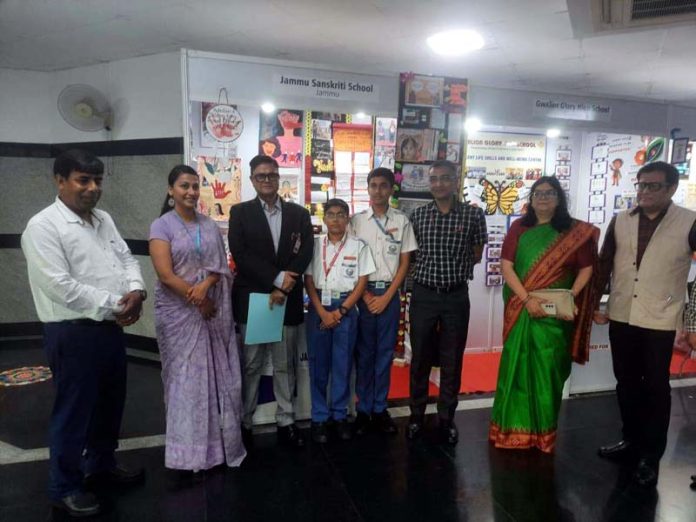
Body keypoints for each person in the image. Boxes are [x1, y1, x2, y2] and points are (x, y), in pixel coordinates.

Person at [21, 149, 147, 517]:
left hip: (107, 330)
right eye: (83, 180)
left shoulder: (102, 219)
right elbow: (60, 286)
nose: (93, 188)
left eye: (98, 181)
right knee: (74, 412)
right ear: (60, 180)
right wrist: (119, 303)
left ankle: (102, 468)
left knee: (109, 406)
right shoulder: (43, 227)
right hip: (71, 333)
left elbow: (125, 258)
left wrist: (137, 291)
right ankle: (65, 486)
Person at [594, 161, 696, 487]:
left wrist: (692, 322)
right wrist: (597, 303)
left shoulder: (689, 222)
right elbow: (604, 264)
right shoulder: (621, 220)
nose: (645, 192)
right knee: (625, 383)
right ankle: (630, 442)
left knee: (654, 388)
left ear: (671, 189)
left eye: (653, 186)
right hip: (623, 314)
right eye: (641, 185)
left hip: (661, 319)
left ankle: (650, 456)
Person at [489, 176, 598, 453]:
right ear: (531, 198)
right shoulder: (519, 228)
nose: (543, 198)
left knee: (548, 373)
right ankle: (510, 430)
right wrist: (526, 300)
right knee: (515, 368)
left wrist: (571, 295)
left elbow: (587, 268)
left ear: (559, 198)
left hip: (555, 314)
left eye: (549, 193)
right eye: (538, 193)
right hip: (522, 309)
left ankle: (543, 434)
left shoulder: (575, 232)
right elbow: (506, 266)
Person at [149, 165, 246, 474]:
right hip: (178, 314)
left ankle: (218, 448)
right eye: (184, 186)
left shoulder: (209, 224)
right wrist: (198, 296)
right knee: (186, 383)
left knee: (217, 380)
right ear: (171, 190)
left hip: (212, 313)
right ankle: (186, 455)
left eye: (194, 186)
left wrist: (207, 288)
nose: (190, 192)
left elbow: (220, 269)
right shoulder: (161, 226)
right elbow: (165, 275)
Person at [228, 154, 314, 448]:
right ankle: (245, 421)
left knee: (283, 365)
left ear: (279, 179)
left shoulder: (298, 214)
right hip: (257, 301)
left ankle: (286, 420)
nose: (267, 180)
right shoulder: (240, 213)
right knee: (251, 365)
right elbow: (241, 255)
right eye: (261, 176)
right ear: (252, 180)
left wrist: (285, 286)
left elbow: (304, 253)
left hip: (285, 300)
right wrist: (277, 280)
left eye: (272, 175)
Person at [407, 160, 487, 444]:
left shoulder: (472, 216)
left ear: (455, 181)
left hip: (455, 295)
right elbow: (411, 257)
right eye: (434, 179)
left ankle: (446, 419)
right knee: (420, 359)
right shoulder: (417, 216)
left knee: (452, 358)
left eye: (444, 178)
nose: (438, 184)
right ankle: (416, 415)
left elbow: (476, 253)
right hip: (424, 295)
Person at [350, 168, 418, 435]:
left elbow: (405, 262)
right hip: (362, 296)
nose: (378, 191)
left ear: (391, 190)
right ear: (367, 188)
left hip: (390, 296)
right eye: (373, 185)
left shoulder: (402, 221)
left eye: (383, 186)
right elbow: (351, 259)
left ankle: (379, 408)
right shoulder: (356, 221)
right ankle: (363, 408)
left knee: (384, 354)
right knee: (364, 354)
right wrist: (366, 296)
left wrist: (389, 296)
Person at [305, 199, 376, 443]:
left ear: (348, 219)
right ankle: (319, 418)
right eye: (331, 215)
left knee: (343, 366)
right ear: (324, 219)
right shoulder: (314, 246)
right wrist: (323, 312)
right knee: (318, 366)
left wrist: (342, 311)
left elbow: (362, 282)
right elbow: (309, 281)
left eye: (340, 215)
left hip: (346, 309)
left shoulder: (358, 246)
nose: (335, 219)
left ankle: (339, 415)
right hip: (319, 309)